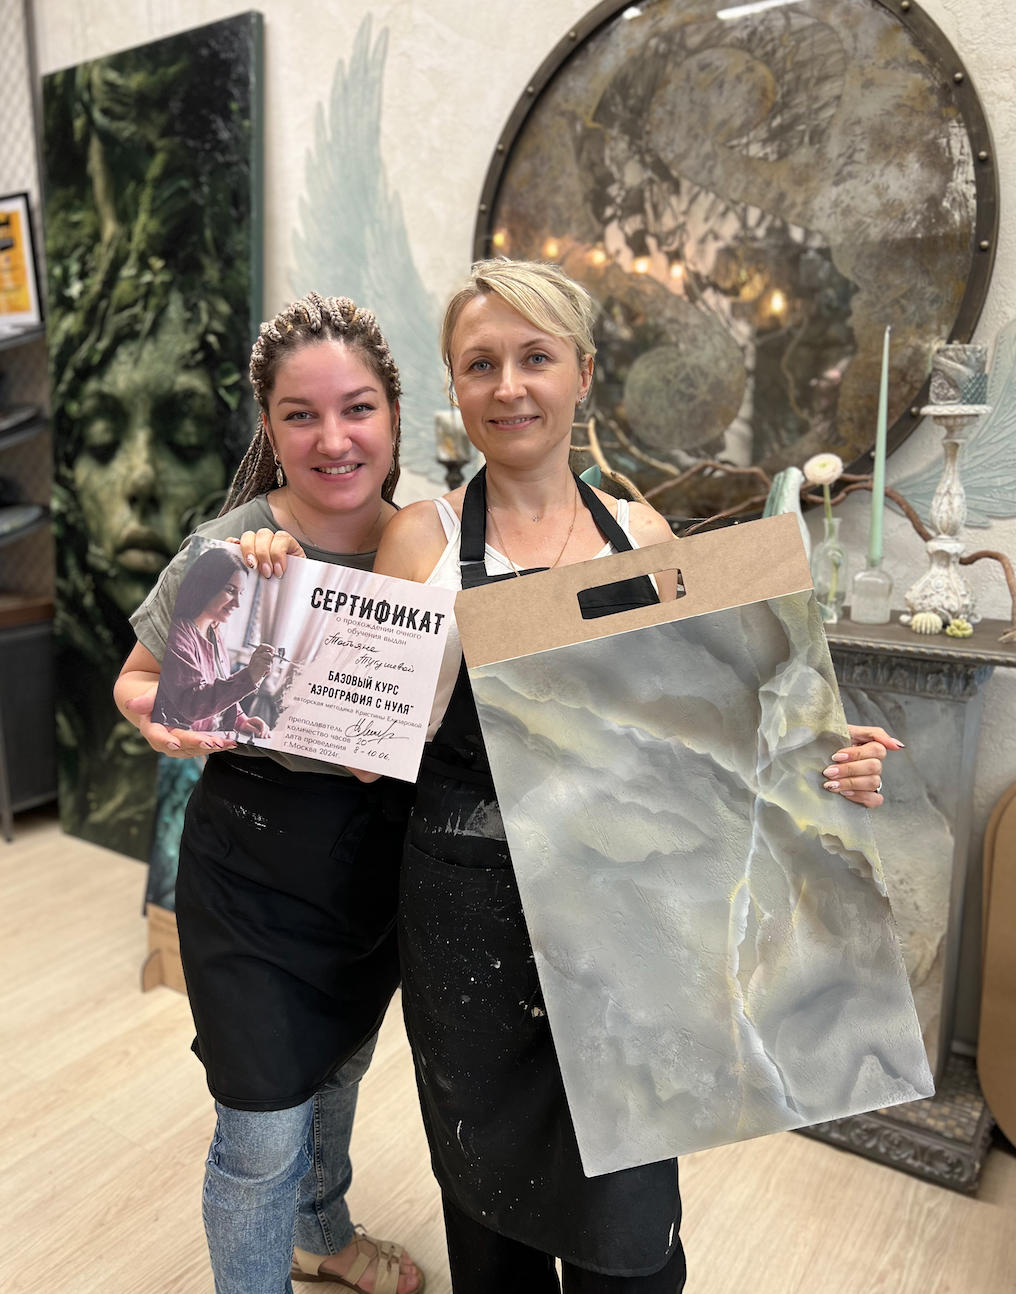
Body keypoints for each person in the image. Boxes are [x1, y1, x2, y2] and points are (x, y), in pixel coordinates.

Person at [368, 259, 900, 1292]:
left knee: (628, 1214)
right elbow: (376, 740)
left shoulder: (641, 536)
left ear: (583, 370)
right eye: (480, 364)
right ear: (455, 384)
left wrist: (817, 755)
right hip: (468, 909)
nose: (508, 386)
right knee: (488, 1202)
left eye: (535, 357)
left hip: (623, 910)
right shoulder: (417, 540)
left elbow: (707, 734)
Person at [114, 293, 424, 1294]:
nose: (333, 439)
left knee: (338, 1071)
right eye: (301, 414)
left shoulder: (431, 544)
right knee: (258, 1132)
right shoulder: (238, 548)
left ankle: (319, 1232)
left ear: (393, 413)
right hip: (248, 869)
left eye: (357, 408)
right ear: (269, 426)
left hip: (373, 868)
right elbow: (136, 679)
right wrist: (165, 719)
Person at [151, 546, 273, 735]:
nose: (237, 603)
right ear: (206, 586)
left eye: (240, 593)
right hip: (183, 742)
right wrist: (249, 676)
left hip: (212, 738)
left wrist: (241, 720)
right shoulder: (175, 637)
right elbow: (193, 705)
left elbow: (218, 690)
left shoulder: (214, 632)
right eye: (230, 590)